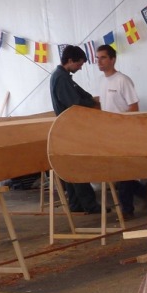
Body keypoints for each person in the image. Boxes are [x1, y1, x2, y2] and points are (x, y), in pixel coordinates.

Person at [50, 45, 102, 213]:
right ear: (70, 61)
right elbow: (74, 102)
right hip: (69, 127)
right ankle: (90, 205)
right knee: (77, 168)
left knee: (70, 168)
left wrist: (89, 97)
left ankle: (75, 204)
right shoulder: (61, 78)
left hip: (66, 127)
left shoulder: (63, 76)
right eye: (79, 64)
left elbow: (79, 92)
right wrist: (92, 103)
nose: (80, 68)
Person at [96, 43, 144, 218]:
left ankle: (127, 209)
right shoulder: (102, 81)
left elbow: (134, 107)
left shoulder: (123, 80)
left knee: (124, 170)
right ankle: (142, 191)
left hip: (124, 131)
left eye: (103, 57)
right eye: (97, 58)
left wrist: (125, 127)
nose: (99, 61)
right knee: (118, 171)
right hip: (109, 132)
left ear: (112, 59)